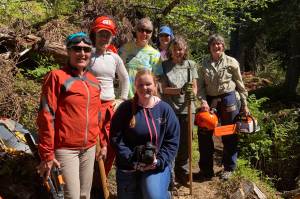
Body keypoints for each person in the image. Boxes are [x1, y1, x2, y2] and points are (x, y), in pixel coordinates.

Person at [37, 32, 107, 199]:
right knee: (72, 196)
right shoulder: (57, 77)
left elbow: (99, 117)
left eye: (86, 49)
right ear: (68, 51)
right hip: (65, 149)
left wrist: (103, 143)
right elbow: (46, 116)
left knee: (84, 195)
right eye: (77, 49)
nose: (82, 53)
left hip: (89, 149)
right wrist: (47, 154)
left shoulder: (94, 81)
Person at [110, 69, 180, 199]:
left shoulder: (164, 109)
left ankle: (164, 193)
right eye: (140, 85)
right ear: (135, 86)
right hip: (129, 165)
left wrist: (158, 161)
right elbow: (116, 139)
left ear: (155, 85)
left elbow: (172, 140)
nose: (144, 88)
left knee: (152, 195)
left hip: (156, 165)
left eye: (148, 84)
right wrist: (132, 160)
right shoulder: (125, 109)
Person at [197, 34, 249, 180]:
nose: (217, 46)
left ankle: (229, 168)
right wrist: (203, 101)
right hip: (209, 100)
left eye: (219, 44)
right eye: (214, 44)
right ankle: (206, 170)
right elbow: (200, 86)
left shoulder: (232, 62)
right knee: (204, 134)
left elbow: (240, 84)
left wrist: (244, 104)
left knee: (229, 133)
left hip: (229, 99)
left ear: (223, 46)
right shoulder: (203, 64)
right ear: (210, 47)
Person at [89, 16, 129, 175]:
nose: (104, 37)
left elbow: (125, 78)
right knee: (90, 142)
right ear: (95, 34)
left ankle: (102, 179)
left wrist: (122, 99)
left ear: (112, 37)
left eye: (108, 34)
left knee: (109, 143)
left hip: (109, 106)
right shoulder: (87, 54)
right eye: (101, 34)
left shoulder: (114, 57)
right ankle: (89, 179)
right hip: (90, 106)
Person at [161, 36, 198, 186]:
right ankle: (170, 176)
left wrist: (192, 94)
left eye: (181, 49)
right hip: (170, 109)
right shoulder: (164, 66)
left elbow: (194, 87)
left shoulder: (191, 65)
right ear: (170, 50)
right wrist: (181, 90)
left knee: (186, 142)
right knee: (170, 142)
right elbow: (164, 89)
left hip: (188, 109)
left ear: (185, 50)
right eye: (175, 49)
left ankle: (182, 174)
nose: (178, 52)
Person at [119, 17, 163, 98]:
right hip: (125, 99)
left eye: (148, 31)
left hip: (145, 99)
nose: (144, 33)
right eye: (141, 30)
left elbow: (157, 80)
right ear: (136, 30)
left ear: (152, 33)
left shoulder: (155, 55)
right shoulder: (124, 50)